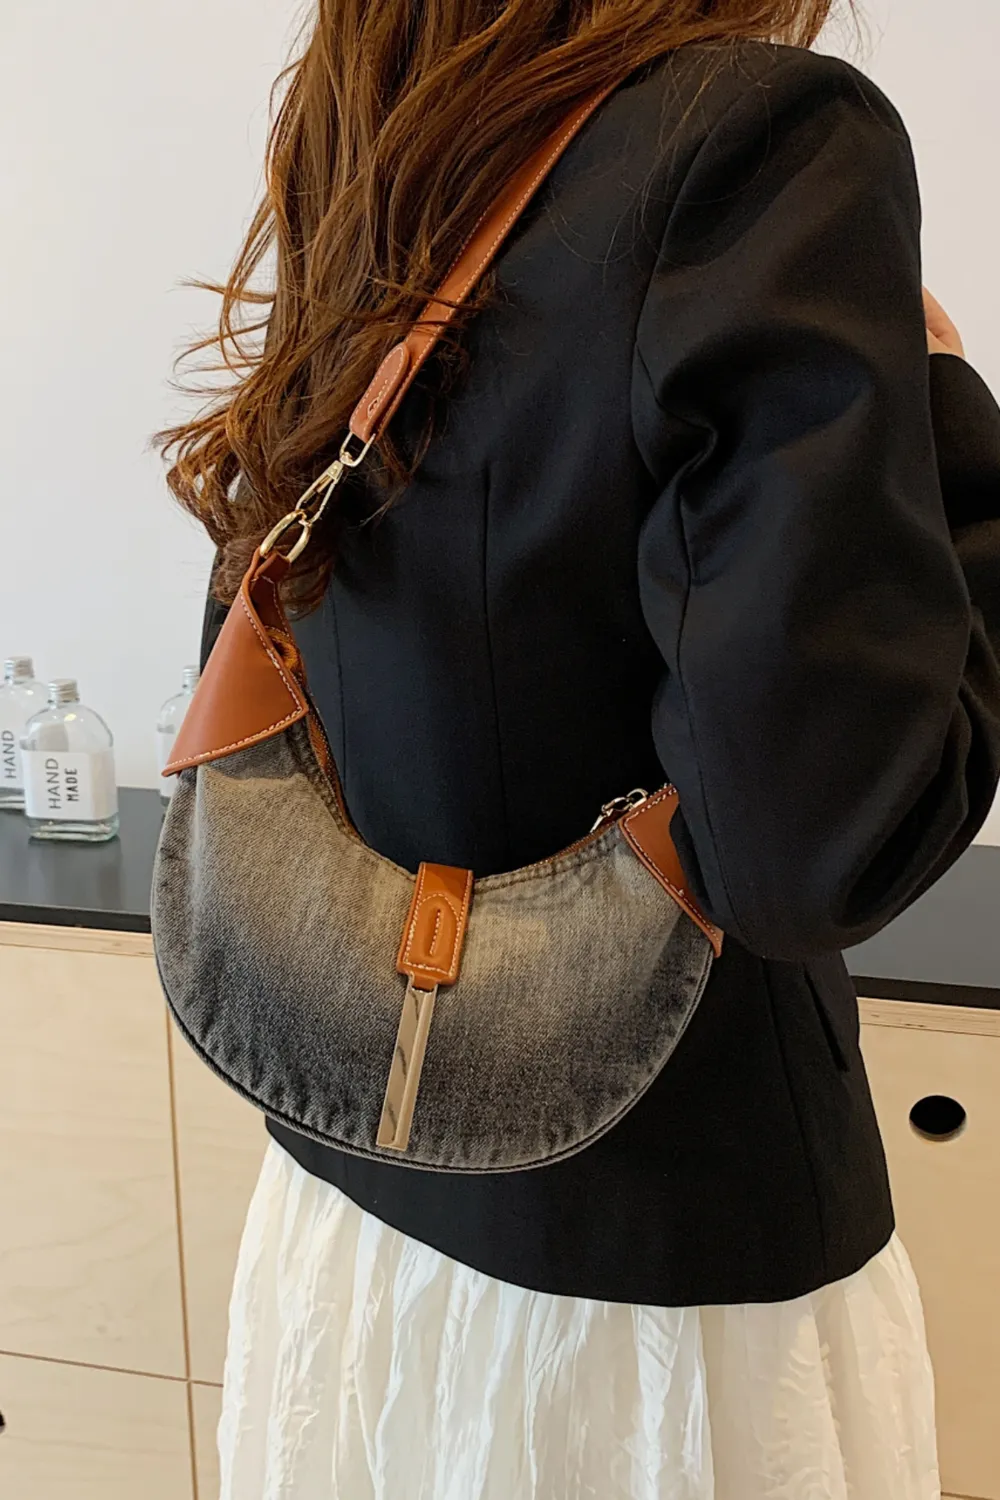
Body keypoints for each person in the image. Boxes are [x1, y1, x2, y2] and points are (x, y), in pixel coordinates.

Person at [157, 1, 1000, 1495]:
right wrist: (943, 412)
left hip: (353, 1216)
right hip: (655, 1289)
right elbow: (821, 846)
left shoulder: (381, 147)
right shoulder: (758, 136)